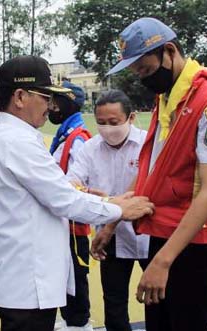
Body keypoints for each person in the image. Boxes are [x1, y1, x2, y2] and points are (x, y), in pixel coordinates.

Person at [0, 55, 155, 331]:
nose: (51, 106)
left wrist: (105, 200)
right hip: (28, 281)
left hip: (27, 278)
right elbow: (63, 198)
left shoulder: (15, 136)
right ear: (19, 96)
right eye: (45, 96)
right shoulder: (16, 141)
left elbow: (61, 190)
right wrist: (118, 209)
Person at [105, 17, 207, 331]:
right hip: (164, 232)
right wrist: (112, 222)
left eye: (146, 70)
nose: (142, 79)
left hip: (194, 243)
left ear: (169, 51)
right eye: (137, 73)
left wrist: (163, 261)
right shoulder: (167, 98)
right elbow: (153, 170)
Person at [69, 90, 150, 331]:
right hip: (111, 240)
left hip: (150, 234)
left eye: (114, 123)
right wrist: (82, 190)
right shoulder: (90, 149)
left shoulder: (149, 144)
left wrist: (108, 218)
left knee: (159, 300)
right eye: (101, 123)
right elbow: (70, 184)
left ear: (131, 118)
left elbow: (146, 190)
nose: (107, 129)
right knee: (114, 305)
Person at [47, 81, 93, 331]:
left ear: (68, 104)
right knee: (65, 274)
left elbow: (82, 179)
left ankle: (80, 322)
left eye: (55, 102)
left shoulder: (77, 138)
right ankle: (71, 319)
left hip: (74, 223)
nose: (51, 107)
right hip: (63, 221)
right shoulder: (66, 133)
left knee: (76, 274)